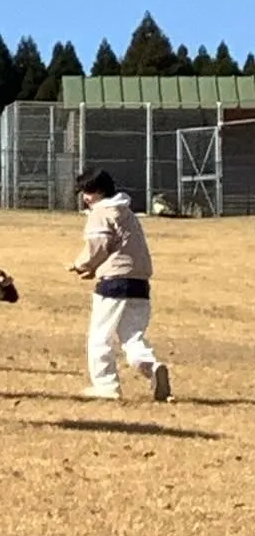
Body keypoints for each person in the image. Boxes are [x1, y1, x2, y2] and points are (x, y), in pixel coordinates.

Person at [69, 167, 171, 402]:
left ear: (99, 192)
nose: (85, 198)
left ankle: (106, 386)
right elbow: (121, 247)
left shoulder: (100, 213)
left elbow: (99, 246)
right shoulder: (128, 213)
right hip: (139, 283)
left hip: (114, 284)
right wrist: (94, 269)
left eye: (87, 192)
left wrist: (81, 265)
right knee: (132, 336)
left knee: (100, 336)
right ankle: (152, 367)